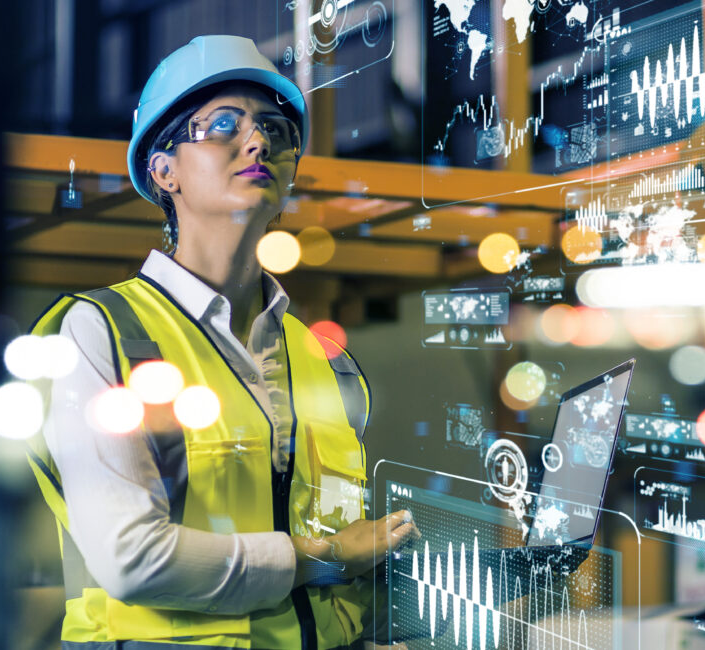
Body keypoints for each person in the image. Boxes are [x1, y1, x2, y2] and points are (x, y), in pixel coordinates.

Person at [26, 35, 419, 649]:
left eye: (275, 130)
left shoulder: (324, 360)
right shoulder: (102, 335)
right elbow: (132, 558)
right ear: (164, 169)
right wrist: (329, 555)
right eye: (223, 126)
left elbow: (328, 562)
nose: (258, 141)